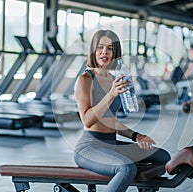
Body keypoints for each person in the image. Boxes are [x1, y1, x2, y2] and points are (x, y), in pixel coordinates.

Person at [73, 30, 171, 192]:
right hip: (90, 147)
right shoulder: (85, 79)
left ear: (115, 52)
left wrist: (136, 136)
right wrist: (111, 94)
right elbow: (87, 119)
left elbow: (110, 119)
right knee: (126, 168)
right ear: (93, 50)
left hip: (112, 144)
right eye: (100, 47)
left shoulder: (114, 79)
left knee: (163, 156)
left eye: (110, 48)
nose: (105, 52)